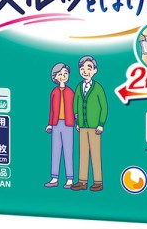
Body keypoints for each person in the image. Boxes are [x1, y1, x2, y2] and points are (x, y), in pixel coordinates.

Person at [71, 56, 108, 192]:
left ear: (95, 70)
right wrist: (77, 121)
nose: (85, 71)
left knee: (95, 154)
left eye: (89, 68)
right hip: (82, 126)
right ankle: (82, 181)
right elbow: (75, 104)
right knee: (83, 153)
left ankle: (98, 182)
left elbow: (104, 107)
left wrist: (101, 124)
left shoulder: (97, 87)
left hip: (94, 127)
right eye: (82, 68)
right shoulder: (79, 87)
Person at [45, 63, 74, 188]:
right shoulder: (54, 92)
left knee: (68, 151)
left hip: (68, 124)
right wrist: (50, 124)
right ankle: (54, 178)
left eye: (65, 73)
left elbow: (74, 108)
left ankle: (70, 179)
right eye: (60, 74)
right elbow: (51, 110)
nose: (63, 76)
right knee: (56, 151)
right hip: (56, 124)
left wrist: (77, 121)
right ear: (55, 77)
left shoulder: (70, 92)